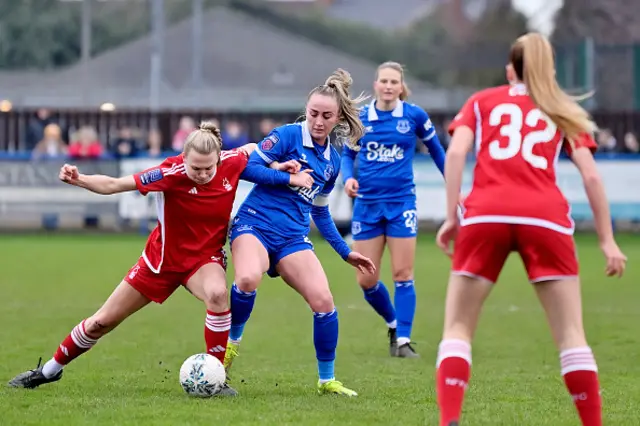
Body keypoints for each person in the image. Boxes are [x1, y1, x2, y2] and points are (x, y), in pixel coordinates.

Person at [7, 121, 311, 395]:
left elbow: (255, 151)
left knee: (218, 294)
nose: (203, 175)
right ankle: (48, 371)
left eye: (209, 168)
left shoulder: (233, 162)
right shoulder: (169, 172)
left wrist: (280, 167)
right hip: (160, 263)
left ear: (219, 158)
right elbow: (115, 185)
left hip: (202, 261)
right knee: (101, 321)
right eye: (196, 169)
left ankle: (216, 380)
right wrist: (80, 179)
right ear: (183, 159)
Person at [434, 33, 627, 426]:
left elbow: (455, 153)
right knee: (572, 334)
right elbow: (591, 176)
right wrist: (607, 239)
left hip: (486, 213)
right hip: (545, 218)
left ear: (510, 69)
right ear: (548, 69)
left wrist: (453, 215)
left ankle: (449, 419)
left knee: (457, 327)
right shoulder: (561, 107)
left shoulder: (482, 101)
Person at [223, 69, 377, 397]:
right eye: (313, 114)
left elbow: (319, 211)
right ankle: (229, 348)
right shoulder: (286, 136)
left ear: (337, 118)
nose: (318, 121)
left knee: (324, 302)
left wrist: (345, 251)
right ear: (305, 111)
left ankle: (326, 380)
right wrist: (285, 176)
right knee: (248, 278)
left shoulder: (332, 162)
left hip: (293, 238)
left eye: (326, 116)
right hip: (254, 224)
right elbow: (245, 169)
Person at [340, 61, 446, 358]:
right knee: (366, 278)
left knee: (403, 272)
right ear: (375, 85)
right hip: (367, 206)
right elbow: (348, 155)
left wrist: (453, 186)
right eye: (383, 81)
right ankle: (393, 322)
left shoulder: (414, 116)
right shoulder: (361, 117)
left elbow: (437, 151)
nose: (388, 86)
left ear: (401, 87)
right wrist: (348, 177)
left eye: (394, 82)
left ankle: (403, 340)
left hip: (402, 204)